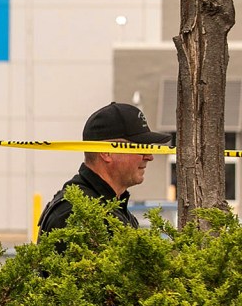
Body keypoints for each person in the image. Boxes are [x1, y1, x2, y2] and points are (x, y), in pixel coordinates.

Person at [37, 101, 170, 239]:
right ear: (106, 152)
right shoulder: (74, 212)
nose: (149, 157)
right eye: (141, 148)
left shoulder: (111, 207)